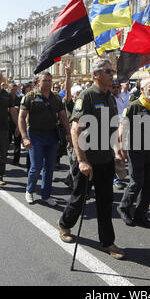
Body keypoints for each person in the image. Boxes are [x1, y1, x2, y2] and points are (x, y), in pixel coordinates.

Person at [57, 58, 125, 260]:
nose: (111, 74)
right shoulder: (86, 96)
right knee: (79, 199)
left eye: (112, 71)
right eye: (107, 71)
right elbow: (76, 130)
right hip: (88, 160)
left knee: (106, 202)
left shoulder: (110, 98)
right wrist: (82, 160)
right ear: (95, 74)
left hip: (105, 160)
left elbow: (112, 129)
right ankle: (64, 224)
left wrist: (118, 152)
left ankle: (107, 242)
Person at [117, 77, 150, 228]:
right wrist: (120, 148)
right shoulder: (134, 106)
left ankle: (141, 214)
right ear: (142, 90)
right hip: (135, 150)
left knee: (149, 184)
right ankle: (124, 208)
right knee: (136, 182)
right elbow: (122, 127)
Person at [19, 71, 71, 206]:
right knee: (36, 166)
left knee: (49, 167)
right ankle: (29, 190)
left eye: (49, 80)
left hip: (52, 136)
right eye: (45, 80)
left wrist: (69, 135)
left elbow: (63, 116)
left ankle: (46, 195)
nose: (47, 83)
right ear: (38, 82)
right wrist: (24, 137)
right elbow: (21, 117)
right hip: (35, 136)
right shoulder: (30, 96)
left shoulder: (56, 98)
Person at [7, 82, 22, 165]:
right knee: (7, 142)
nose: (13, 92)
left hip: (17, 123)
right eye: (12, 90)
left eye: (15, 90)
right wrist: (11, 109)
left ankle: (16, 160)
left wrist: (18, 108)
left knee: (17, 142)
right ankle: (3, 156)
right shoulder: (6, 98)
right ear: (9, 89)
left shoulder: (19, 99)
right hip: (7, 123)